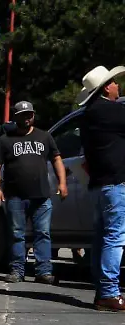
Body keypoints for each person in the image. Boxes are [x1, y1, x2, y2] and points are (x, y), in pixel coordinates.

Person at [0, 100, 67, 284]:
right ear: (16, 117)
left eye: (29, 114)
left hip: (41, 195)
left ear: (33, 115)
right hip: (15, 196)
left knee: (43, 233)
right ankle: (17, 271)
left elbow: (56, 159)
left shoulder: (44, 136)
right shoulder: (5, 140)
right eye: (22, 115)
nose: (27, 118)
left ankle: (43, 272)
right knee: (16, 234)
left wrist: (62, 183)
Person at [77, 65, 125, 311]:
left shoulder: (88, 115)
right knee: (115, 237)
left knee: (101, 237)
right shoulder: (113, 111)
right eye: (114, 82)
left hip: (98, 184)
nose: (118, 86)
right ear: (106, 87)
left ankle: (102, 290)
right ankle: (109, 292)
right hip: (115, 182)